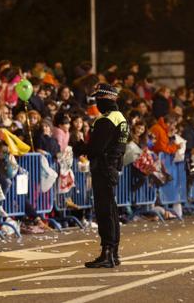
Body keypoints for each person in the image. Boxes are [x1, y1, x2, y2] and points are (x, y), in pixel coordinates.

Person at [84, 83, 128, 268]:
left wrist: (81, 147)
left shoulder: (106, 120)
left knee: (105, 211)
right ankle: (114, 253)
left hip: (103, 168)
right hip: (112, 167)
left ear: (104, 99)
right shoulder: (121, 118)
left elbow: (96, 148)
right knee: (111, 210)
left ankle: (107, 253)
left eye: (98, 99)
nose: (97, 103)